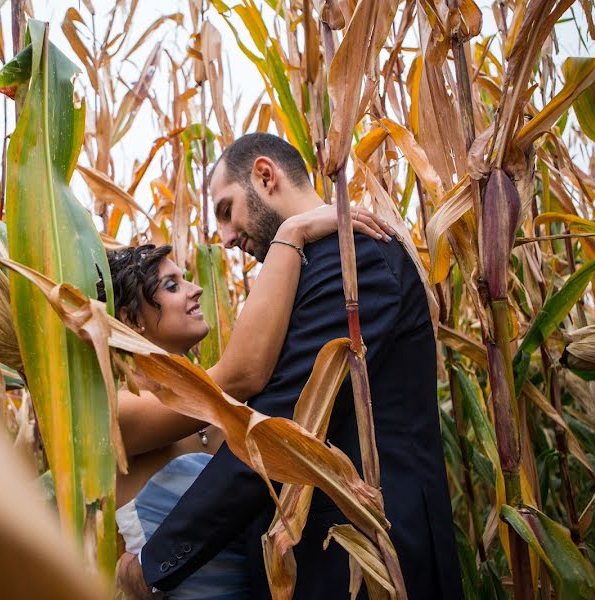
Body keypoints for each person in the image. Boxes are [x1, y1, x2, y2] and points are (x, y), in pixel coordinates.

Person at [117, 133, 463, 599]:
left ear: (265, 175)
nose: (224, 238)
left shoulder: (353, 260)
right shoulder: (304, 271)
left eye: (226, 210)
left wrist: (156, 562)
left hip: (365, 565)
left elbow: (281, 426)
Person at [102, 209, 392, 598]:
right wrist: (292, 232)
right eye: (172, 286)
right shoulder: (119, 413)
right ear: (129, 318)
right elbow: (244, 373)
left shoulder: (211, 401)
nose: (195, 289)